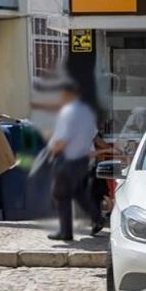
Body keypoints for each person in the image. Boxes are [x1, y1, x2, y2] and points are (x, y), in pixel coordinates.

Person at [47, 80, 104, 241]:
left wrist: (51, 151)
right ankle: (97, 217)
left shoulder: (68, 112)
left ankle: (66, 231)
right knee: (77, 192)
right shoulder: (86, 113)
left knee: (60, 194)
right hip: (82, 159)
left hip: (67, 159)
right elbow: (94, 136)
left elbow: (62, 139)